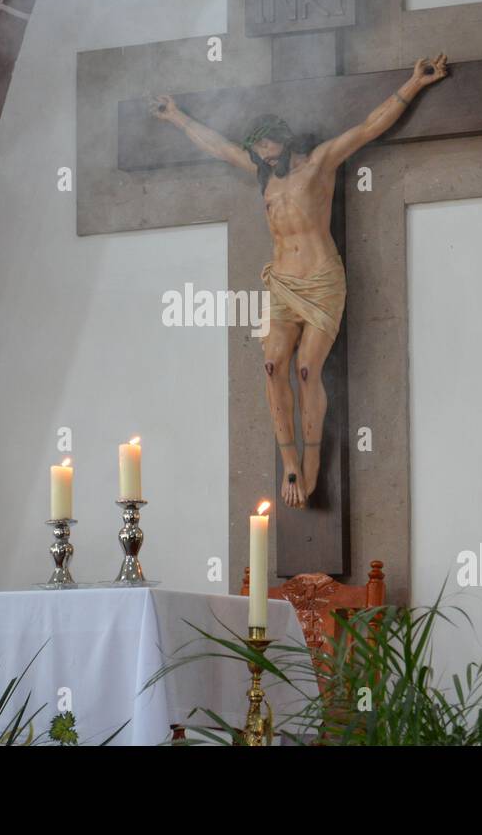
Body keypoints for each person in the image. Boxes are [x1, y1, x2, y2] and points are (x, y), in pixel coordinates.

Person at [151, 55, 450, 506]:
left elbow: (369, 126)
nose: (266, 158)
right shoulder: (261, 175)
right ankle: (288, 460)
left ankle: (311, 461)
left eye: (271, 149)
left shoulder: (320, 162)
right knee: (272, 366)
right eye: (260, 152)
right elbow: (217, 146)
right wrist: (176, 117)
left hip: (322, 280)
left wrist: (414, 84)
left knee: (307, 369)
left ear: (285, 142)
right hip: (281, 286)